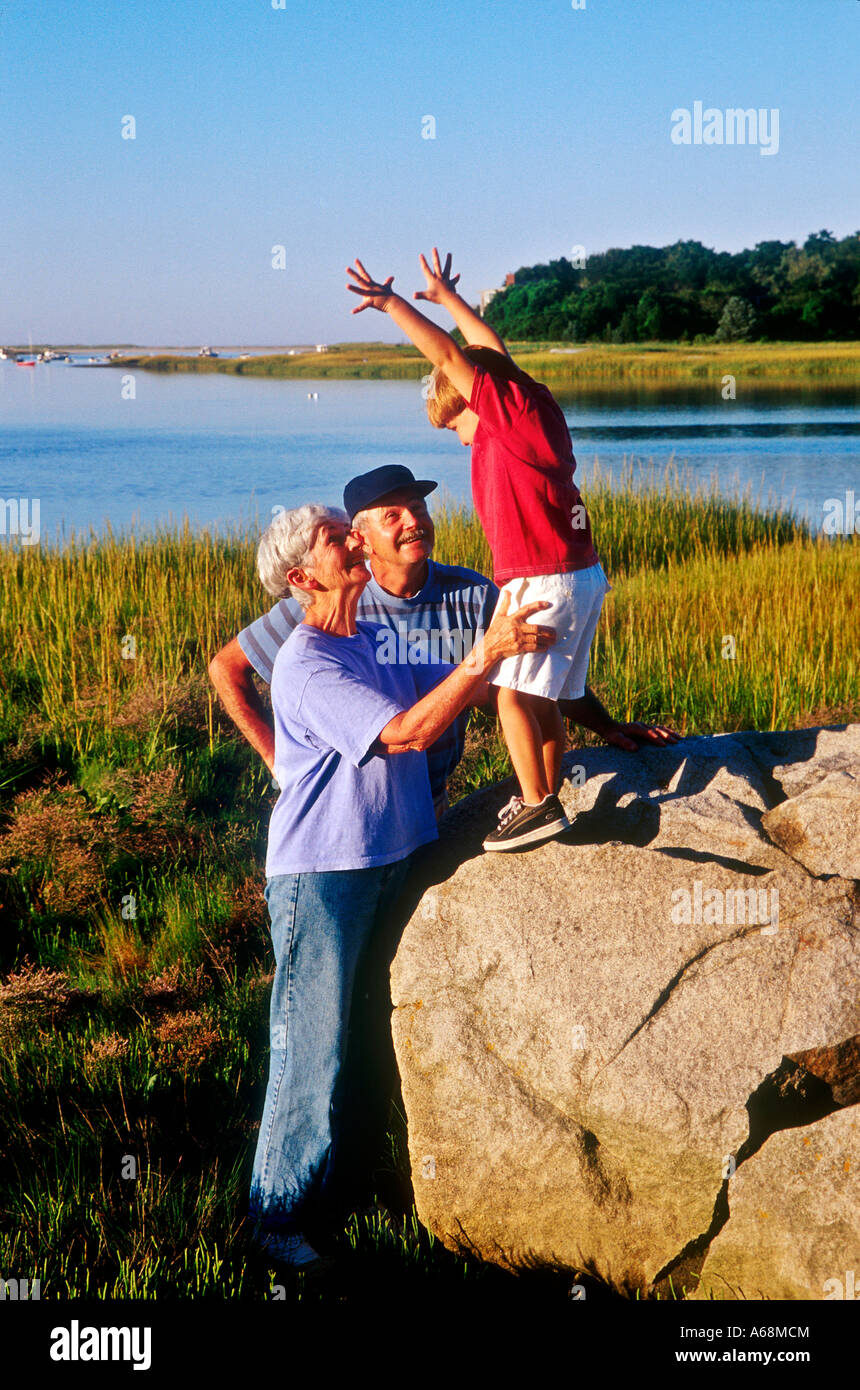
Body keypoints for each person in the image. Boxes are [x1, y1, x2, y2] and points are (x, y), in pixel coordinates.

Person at [247, 501, 554, 1270]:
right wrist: (483, 655)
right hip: (325, 876)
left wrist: (569, 699)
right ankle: (278, 1219)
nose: (354, 541)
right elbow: (408, 732)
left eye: (347, 531)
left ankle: (357, 1186)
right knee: (312, 1049)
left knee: (378, 1040)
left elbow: (464, 694)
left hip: (396, 858)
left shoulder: (375, 635)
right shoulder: (309, 661)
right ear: (299, 577)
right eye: (333, 539)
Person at [346, 249, 624, 850]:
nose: (459, 439)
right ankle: (548, 796)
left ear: (475, 403)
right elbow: (486, 348)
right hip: (577, 575)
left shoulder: (505, 416)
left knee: (509, 697)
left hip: (541, 576)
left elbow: (452, 356)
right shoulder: (531, 403)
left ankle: (534, 803)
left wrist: (392, 304)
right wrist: (448, 299)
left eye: (454, 426)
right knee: (540, 695)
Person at [209, 468, 678, 815]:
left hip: (432, 802)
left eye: (419, 509)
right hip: (353, 813)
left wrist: (608, 727)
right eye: (393, 515)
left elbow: (536, 680)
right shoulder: (322, 602)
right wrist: (278, 762)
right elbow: (225, 668)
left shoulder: (472, 595)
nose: (413, 521)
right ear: (361, 537)